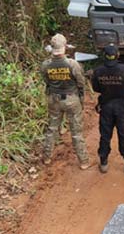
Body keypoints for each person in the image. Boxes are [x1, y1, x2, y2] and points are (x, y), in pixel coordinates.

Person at [40, 34, 91, 168]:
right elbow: (81, 82)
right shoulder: (72, 64)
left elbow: (46, 81)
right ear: (64, 47)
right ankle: (84, 161)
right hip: (71, 98)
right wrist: (81, 98)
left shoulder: (46, 64)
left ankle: (47, 157)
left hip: (54, 99)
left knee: (52, 128)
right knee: (76, 131)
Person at [91, 44, 124, 174]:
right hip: (122, 106)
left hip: (106, 105)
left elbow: (96, 88)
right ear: (117, 55)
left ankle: (103, 162)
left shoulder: (98, 71)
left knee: (105, 134)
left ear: (104, 56)